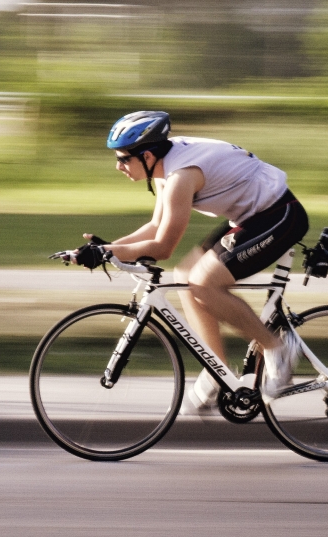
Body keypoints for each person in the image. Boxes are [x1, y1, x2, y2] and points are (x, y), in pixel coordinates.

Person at [71, 111, 309, 410]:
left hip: (279, 214)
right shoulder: (164, 169)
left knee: (204, 284)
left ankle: (279, 349)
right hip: (250, 217)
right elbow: (156, 227)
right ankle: (217, 370)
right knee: (186, 276)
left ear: (146, 155)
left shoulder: (181, 175)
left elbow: (163, 246)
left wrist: (107, 253)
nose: (118, 166)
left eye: (123, 159)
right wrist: (108, 247)